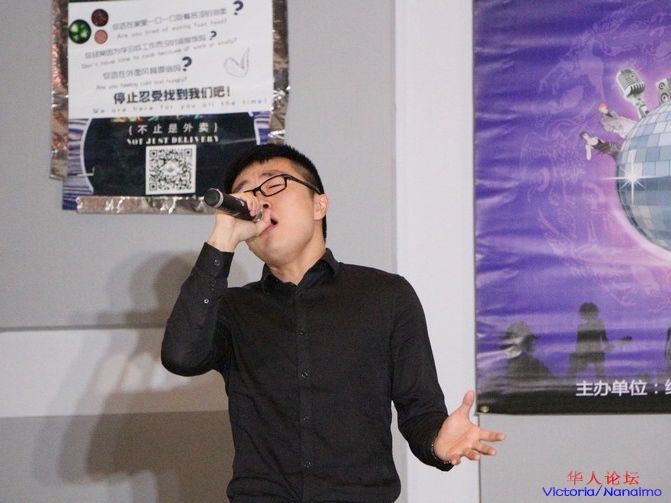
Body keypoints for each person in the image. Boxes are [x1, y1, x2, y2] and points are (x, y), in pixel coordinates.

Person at [161, 144, 504, 502]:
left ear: (319, 205)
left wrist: (437, 442)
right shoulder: (234, 308)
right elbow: (181, 356)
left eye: (274, 184)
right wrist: (223, 238)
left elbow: (419, 410)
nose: (258, 200)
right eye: (246, 192)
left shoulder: (386, 295)